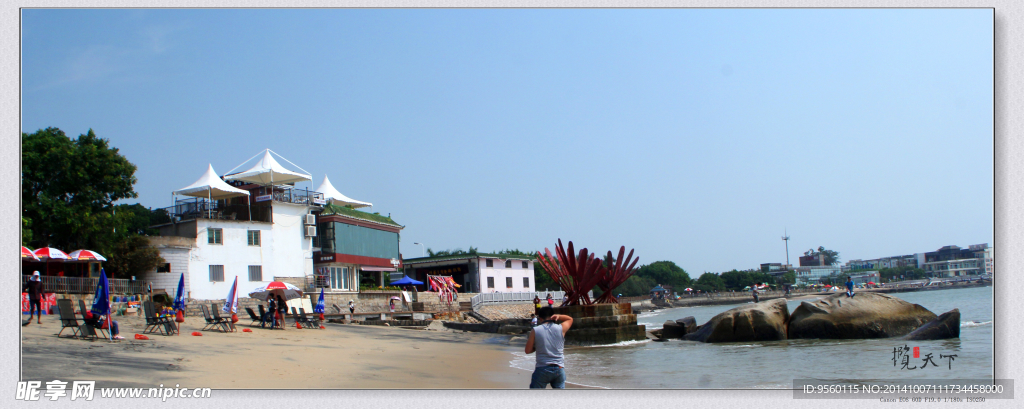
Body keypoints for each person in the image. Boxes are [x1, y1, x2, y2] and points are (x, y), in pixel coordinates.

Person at [525, 306, 573, 389]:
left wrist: (537, 346)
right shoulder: (560, 328)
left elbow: (527, 350)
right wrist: (559, 316)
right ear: (552, 316)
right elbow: (570, 319)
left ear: (540, 319)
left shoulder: (535, 330)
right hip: (559, 368)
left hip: (542, 368)